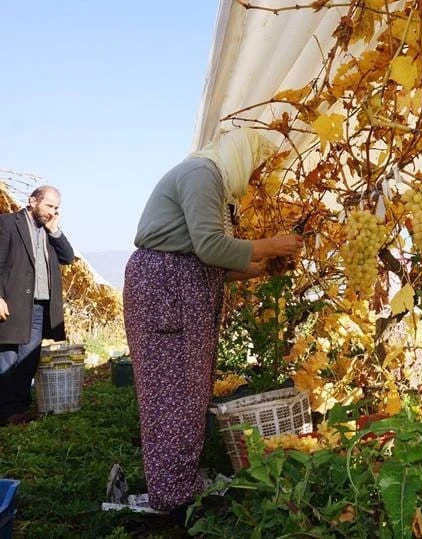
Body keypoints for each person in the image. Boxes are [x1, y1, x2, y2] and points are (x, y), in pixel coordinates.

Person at [124, 128, 302, 514]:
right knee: (171, 391)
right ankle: (172, 496)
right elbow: (209, 248)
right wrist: (272, 245)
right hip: (166, 290)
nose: (256, 177)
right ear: (243, 154)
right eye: (256, 167)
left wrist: (262, 268)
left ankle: (180, 483)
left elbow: (210, 264)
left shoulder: (214, 186)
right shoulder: (202, 174)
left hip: (177, 287)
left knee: (187, 391)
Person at [0, 185, 75, 426]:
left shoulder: (49, 231)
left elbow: (68, 257)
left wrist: (55, 231)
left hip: (38, 307)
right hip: (11, 304)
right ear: (33, 201)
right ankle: (5, 412)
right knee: (8, 358)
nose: (52, 212)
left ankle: (20, 409)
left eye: (56, 208)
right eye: (49, 206)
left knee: (28, 361)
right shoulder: (6, 223)